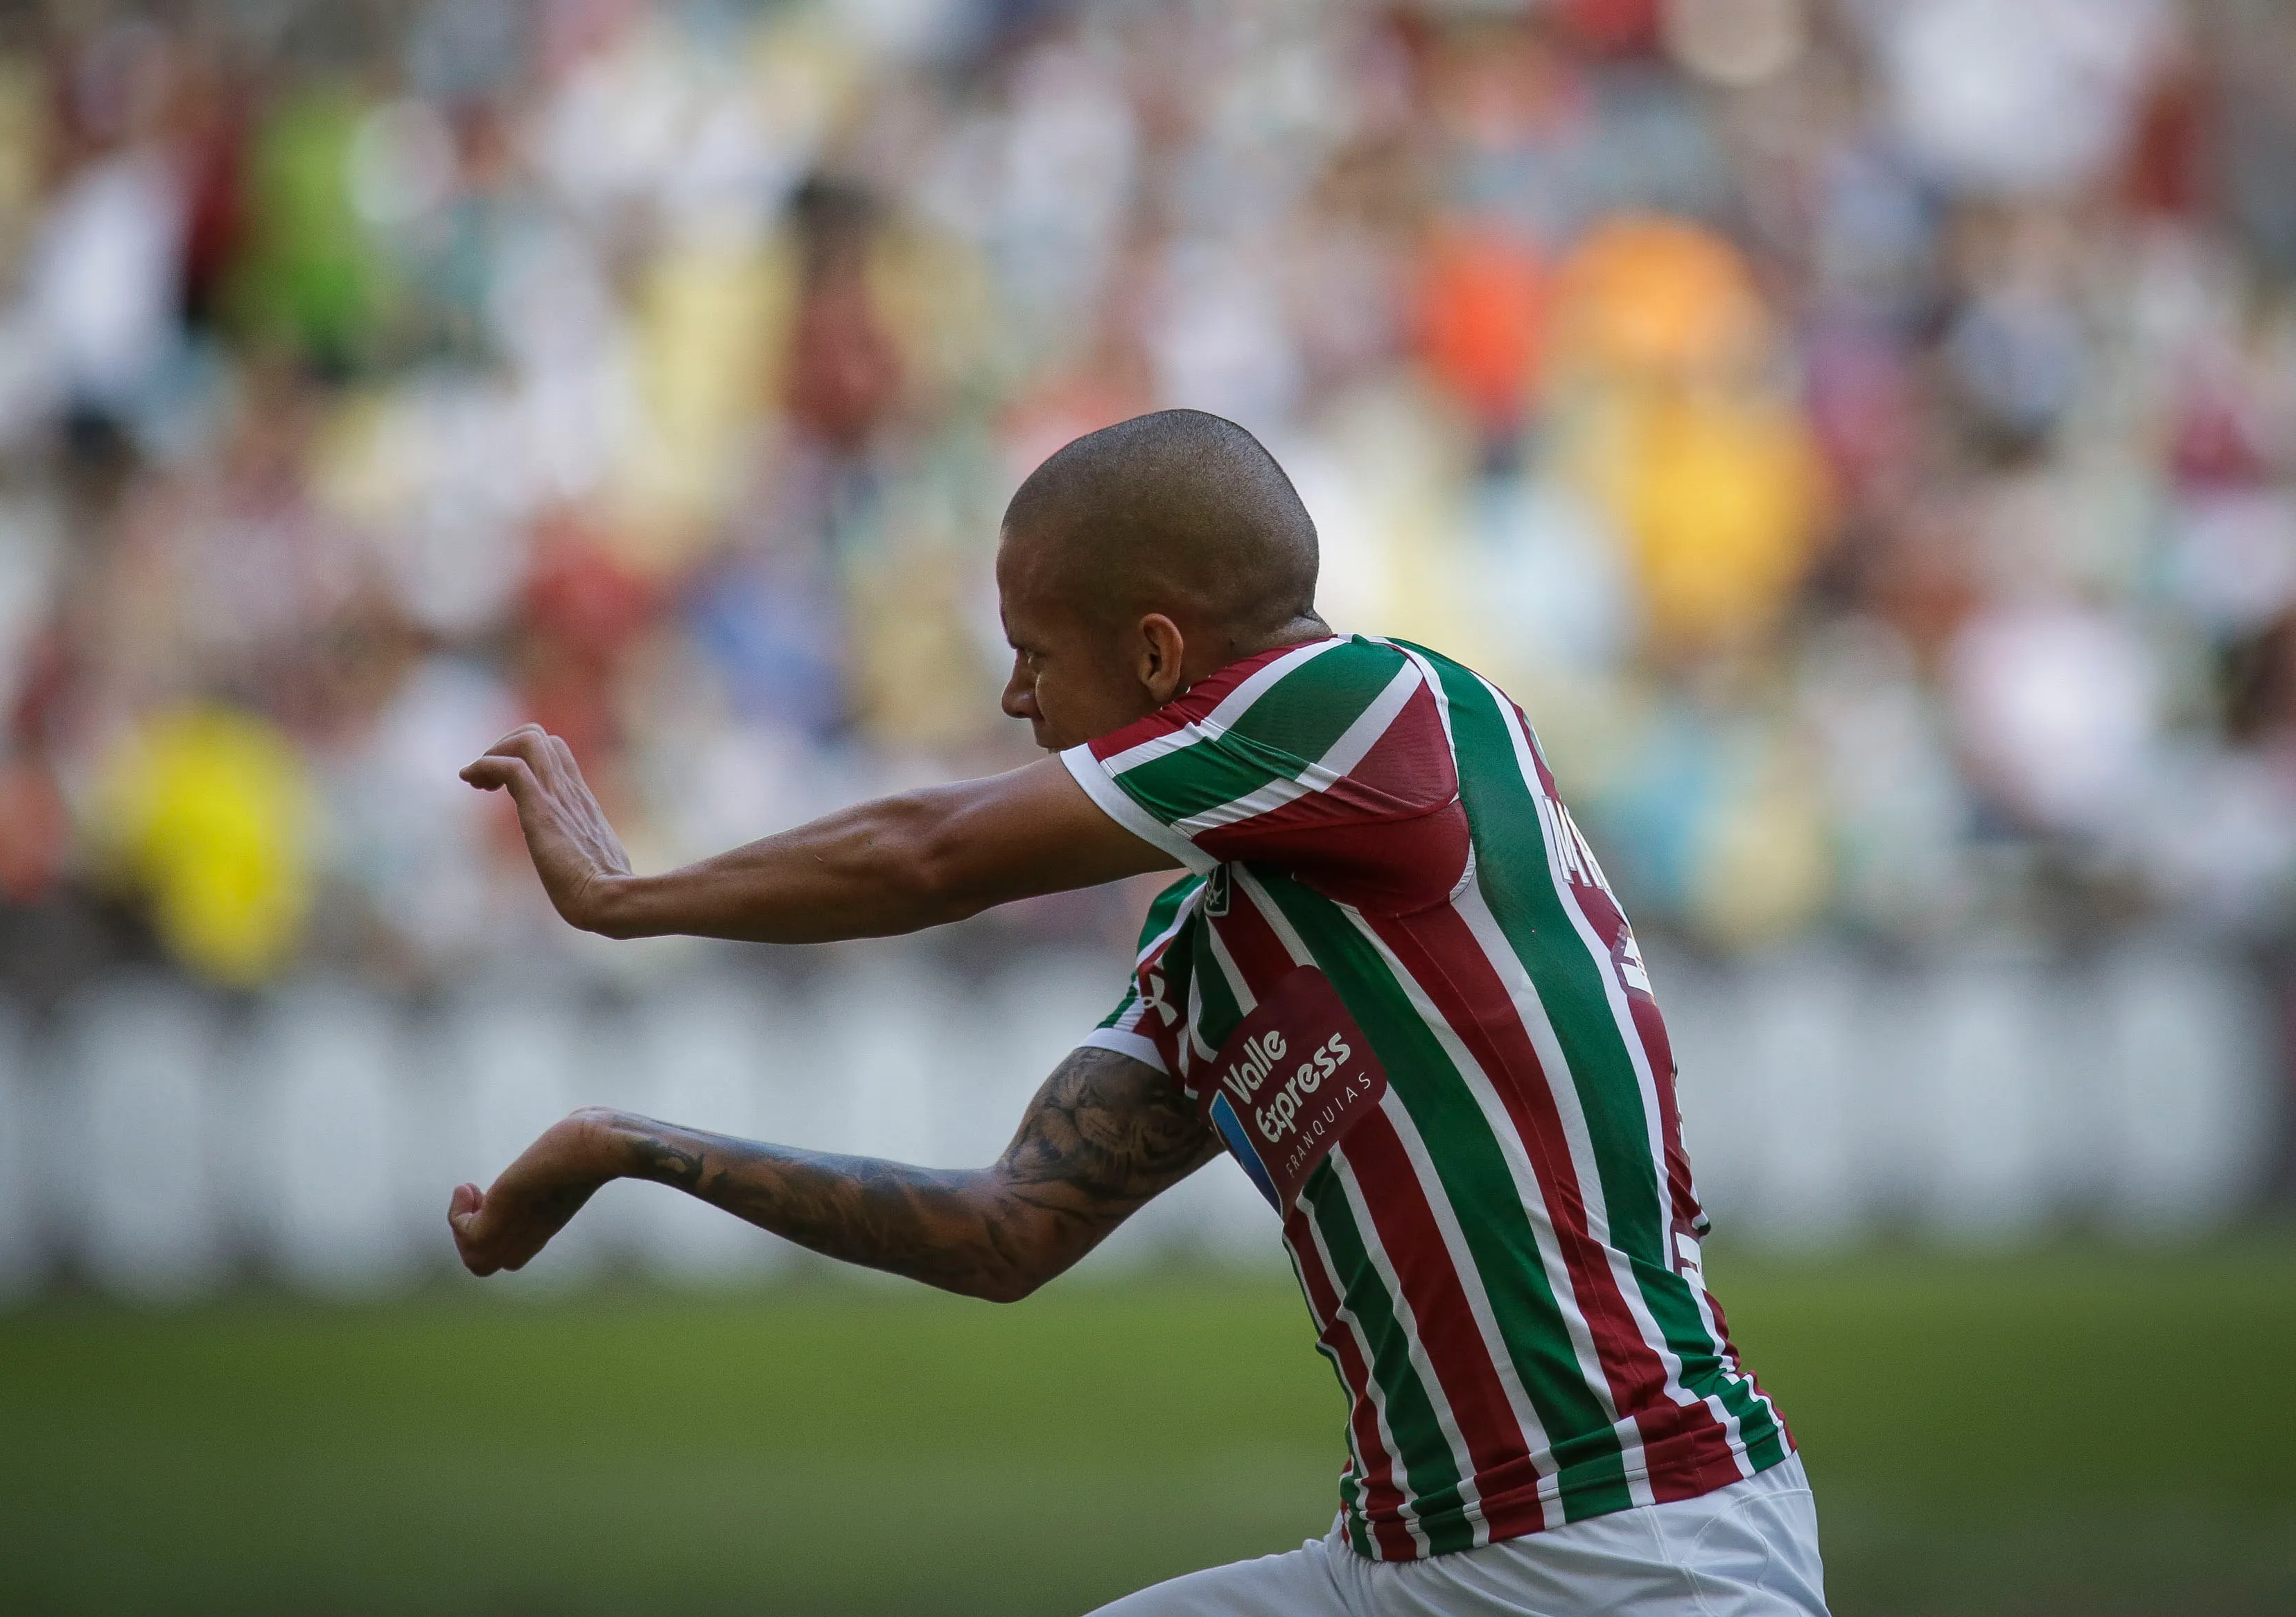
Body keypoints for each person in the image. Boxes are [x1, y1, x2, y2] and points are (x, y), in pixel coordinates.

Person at [451, 409, 1828, 1616]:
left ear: (1160, 653)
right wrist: (626, 1143)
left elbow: (935, 850)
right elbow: (1005, 1232)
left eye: (1034, 651)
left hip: (1640, 1543)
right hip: (1406, 1564)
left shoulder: (1371, 702)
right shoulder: (1208, 946)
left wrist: (633, 899)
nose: (1011, 696)